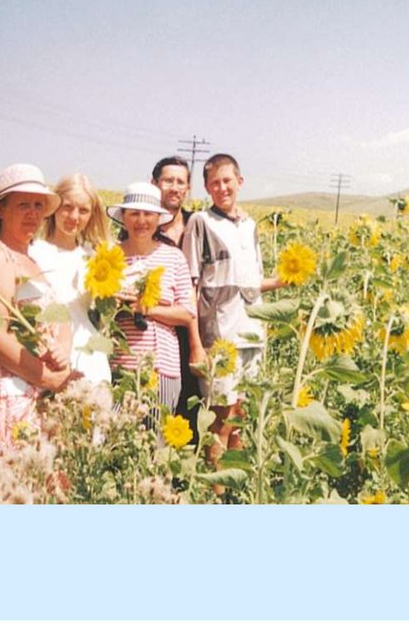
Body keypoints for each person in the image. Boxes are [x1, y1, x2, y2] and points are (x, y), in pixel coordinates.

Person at [0, 163, 78, 480]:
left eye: (38, 205)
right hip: (6, 398)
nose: (33, 213)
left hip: (34, 399)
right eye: (23, 204)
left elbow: (60, 319)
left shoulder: (32, 260)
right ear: (1, 209)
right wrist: (49, 379)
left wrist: (61, 351)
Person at [181, 154, 285, 468]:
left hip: (252, 332)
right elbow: (190, 284)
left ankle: (235, 488)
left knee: (241, 417)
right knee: (220, 422)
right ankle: (215, 490)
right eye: (215, 183)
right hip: (220, 337)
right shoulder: (201, 222)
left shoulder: (249, 225)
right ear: (206, 188)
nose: (222, 188)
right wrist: (196, 343)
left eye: (227, 181)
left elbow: (250, 283)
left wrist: (283, 281)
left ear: (240, 181)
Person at [107, 182, 196, 426]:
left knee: (156, 436)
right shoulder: (110, 256)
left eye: (148, 214)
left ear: (158, 219)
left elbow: (188, 312)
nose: (141, 221)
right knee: (118, 435)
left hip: (163, 367)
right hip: (120, 366)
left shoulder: (173, 257)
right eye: (134, 213)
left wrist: (145, 308)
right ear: (123, 217)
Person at [29, 173, 112, 385]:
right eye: (67, 207)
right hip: (45, 351)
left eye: (83, 210)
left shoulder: (95, 257)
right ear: (54, 207)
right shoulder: (33, 252)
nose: (74, 217)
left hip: (88, 354)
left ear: (92, 214)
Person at [149, 157, 205, 431]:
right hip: (159, 334)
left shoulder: (200, 223)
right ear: (154, 183)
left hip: (201, 329)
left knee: (197, 406)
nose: (174, 187)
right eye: (168, 180)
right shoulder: (143, 227)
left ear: (188, 188)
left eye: (180, 182)